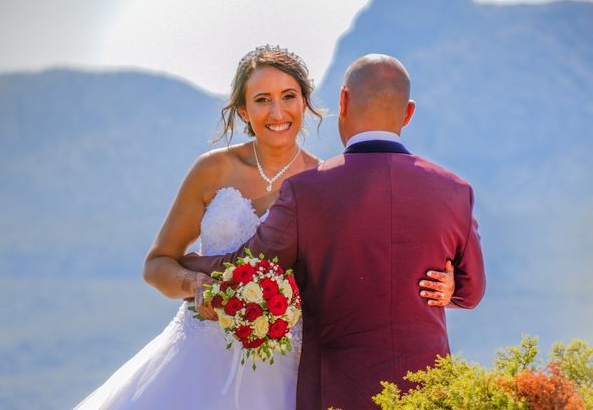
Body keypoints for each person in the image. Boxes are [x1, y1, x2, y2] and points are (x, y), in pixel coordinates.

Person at [74, 47, 456, 409]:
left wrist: (447, 286)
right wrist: (195, 285)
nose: (278, 112)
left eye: (288, 96)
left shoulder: (324, 182)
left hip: (287, 368)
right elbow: (157, 263)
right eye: (262, 100)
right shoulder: (212, 170)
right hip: (199, 358)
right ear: (243, 109)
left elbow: (360, 272)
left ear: (305, 102)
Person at [181, 53, 486, 410]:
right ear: (408, 113)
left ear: (342, 102)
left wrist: (191, 263)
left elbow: (252, 263)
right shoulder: (455, 191)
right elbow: (472, 290)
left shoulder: (307, 190)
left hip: (337, 392)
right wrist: (449, 291)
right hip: (428, 392)